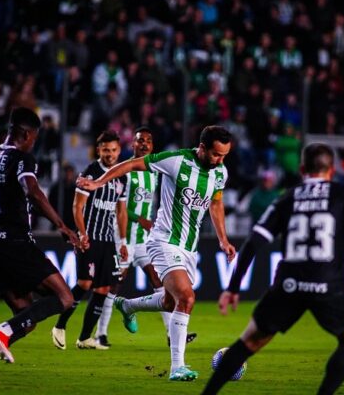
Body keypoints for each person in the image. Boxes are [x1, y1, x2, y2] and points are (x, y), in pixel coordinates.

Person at [203, 143, 344, 395]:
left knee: (248, 341)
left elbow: (254, 241)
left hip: (288, 283)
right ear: (332, 170)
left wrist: (232, 287)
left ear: (302, 168)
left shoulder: (287, 197)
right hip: (328, 283)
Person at [78, 126, 237, 381]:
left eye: (224, 155)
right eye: (216, 154)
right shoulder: (176, 161)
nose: (220, 160)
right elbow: (131, 165)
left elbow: (216, 203)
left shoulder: (220, 173)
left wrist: (223, 239)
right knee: (186, 297)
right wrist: (98, 182)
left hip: (189, 248)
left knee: (170, 302)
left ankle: (127, 306)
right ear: (203, 147)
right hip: (163, 240)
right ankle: (178, 367)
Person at [0, 107, 80, 385]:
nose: (33, 143)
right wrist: (61, 224)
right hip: (16, 242)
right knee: (65, 298)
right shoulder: (22, 158)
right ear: (25, 134)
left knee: (26, 318)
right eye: (34, 138)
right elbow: (32, 191)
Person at [94, 127, 196, 347]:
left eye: (148, 141)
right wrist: (140, 219)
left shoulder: (156, 172)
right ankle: (100, 334)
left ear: (152, 145)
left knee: (159, 281)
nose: (144, 145)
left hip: (144, 240)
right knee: (115, 284)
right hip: (122, 236)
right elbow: (118, 205)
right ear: (133, 144)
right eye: (140, 141)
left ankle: (171, 335)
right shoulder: (126, 170)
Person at [51, 131, 128, 350]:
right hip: (90, 238)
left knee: (103, 288)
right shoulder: (90, 173)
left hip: (108, 240)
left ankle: (85, 338)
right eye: (105, 150)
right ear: (99, 150)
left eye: (113, 150)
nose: (110, 154)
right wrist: (83, 234)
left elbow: (121, 212)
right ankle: (60, 325)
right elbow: (78, 207)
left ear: (119, 150)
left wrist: (122, 240)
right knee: (84, 283)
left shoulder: (121, 176)